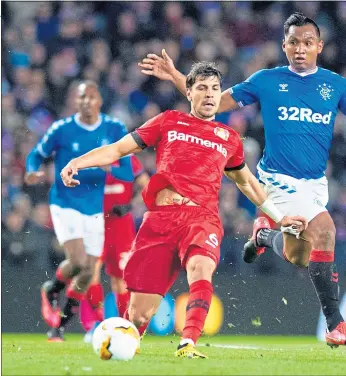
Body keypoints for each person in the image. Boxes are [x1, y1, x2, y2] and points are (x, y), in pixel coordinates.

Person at [61, 62, 306, 358]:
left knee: (200, 268)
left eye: (215, 88)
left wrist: (280, 218)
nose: (210, 94)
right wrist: (77, 162)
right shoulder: (168, 121)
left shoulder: (228, 138)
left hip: (202, 219)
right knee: (137, 317)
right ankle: (122, 344)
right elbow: (117, 149)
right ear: (188, 92)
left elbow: (248, 183)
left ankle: (188, 342)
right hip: (160, 221)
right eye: (202, 88)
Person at [138, 12, 346, 347]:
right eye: (294, 42)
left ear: (319, 46)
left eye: (308, 42)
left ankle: (264, 236)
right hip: (277, 179)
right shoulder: (266, 80)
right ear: (284, 45)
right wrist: (177, 76)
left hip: (314, 185)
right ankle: (337, 325)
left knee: (301, 255)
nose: (300, 48)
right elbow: (213, 104)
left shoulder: (335, 86)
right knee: (325, 232)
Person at [25, 80, 134, 341]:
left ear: (99, 101)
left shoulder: (114, 128)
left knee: (87, 272)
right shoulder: (62, 129)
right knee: (79, 262)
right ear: (76, 101)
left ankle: (59, 323)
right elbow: (37, 154)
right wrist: (32, 170)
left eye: (91, 97)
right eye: (81, 97)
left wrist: (109, 167)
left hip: (94, 207)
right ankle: (52, 289)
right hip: (65, 203)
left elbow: (128, 172)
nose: (86, 101)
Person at [85, 155, 150, 327]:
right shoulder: (91, 157)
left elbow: (147, 186)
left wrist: (129, 205)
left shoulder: (129, 160)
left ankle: (125, 324)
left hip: (120, 226)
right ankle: (98, 322)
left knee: (120, 279)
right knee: (91, 271)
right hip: (96, 222)